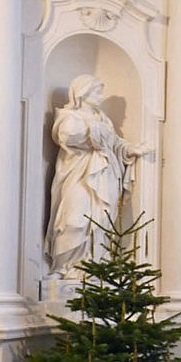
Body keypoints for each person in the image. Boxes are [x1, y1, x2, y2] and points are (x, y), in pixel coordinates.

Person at [45, 74, 153, 278]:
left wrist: (130, 149)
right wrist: (96, 133)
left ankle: (94, 267)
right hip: (78, 175)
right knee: (73, 219)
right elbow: (66, 135)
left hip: (105, 176)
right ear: (82, 93)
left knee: (101, 220)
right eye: (97, 92)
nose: (101, 97)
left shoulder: (104, 120)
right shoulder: (69, 116)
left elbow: (114, 144)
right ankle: (63, 266)